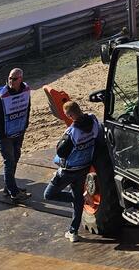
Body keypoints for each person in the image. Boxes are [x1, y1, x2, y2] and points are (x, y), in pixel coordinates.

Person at [43, 101, 103, 242]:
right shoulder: (93, 121)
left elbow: (62, 152)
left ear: (70, 115)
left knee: (49, 194)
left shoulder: (72, 132)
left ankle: (79, 199)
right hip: (84, 168)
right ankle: (73, 231)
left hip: (69, 171)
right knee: (76, 199)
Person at [0, 67, 31, 201]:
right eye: (10, 78)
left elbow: (27, 108)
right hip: (5, 135)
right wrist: (1, 135)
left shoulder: (25, 91)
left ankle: (9, 187)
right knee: (9, 161)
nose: (11, 81)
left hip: (17, 132)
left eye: (14, 79)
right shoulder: (0, 95)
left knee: (16, 157)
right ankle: (14, 192)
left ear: (21, 79)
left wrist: (24, 126)